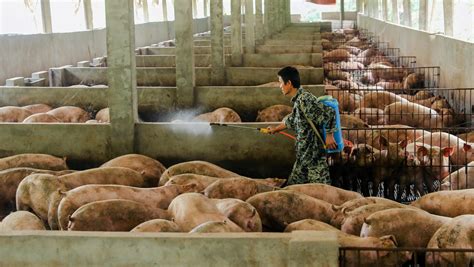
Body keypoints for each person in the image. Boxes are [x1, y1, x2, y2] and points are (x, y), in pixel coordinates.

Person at [267, 66, 337, 185]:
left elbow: (329, 113)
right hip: (303, 158)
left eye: (280, 83)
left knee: (322, 193)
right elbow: (292, 120)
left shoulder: (305, 99)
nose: (280, 86)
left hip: (314, 160)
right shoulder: (298, 101)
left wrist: (330, 135)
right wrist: (275, 129)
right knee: (292, 189)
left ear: (289, 83)